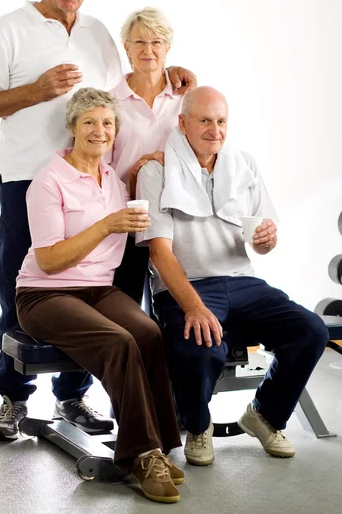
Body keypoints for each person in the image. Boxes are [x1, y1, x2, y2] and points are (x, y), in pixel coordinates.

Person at [0, 0, 196, 441]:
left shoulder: (96, 34)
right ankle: (12, 398)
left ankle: (72, 396)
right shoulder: (10, 28)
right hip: (30, 176)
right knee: (22, 289)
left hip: (95, 178)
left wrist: (170, 70)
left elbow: (124, 92)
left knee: (98, 289)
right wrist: (37, 91)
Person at [135, 86, 329, 466]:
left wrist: (267, 240)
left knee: (310, 331)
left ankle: (263, 415)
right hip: (188, 287)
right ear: (183, 123)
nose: (215, 129)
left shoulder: (244, 164)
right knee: (198, 349)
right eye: (204, 120)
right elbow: (158, 251)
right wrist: (193, 306)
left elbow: (261, 243)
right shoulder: (156, 170)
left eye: (221, 121)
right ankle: (197, 426)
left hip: (244, 282)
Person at [16, 87, 184, 503]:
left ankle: (160, 445)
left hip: (97, 289)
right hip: (44, 294)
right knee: (118, 341)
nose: (99, 130)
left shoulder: (110, 177)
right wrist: (107, 225)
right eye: (89, 121)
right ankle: (141, 455)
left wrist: (144, 170)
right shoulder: (48, 181)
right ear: (72, 127)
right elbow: (51, 261)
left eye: (107, 122)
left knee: (147, 332)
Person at [109, 7, 184, 304]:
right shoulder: (110, 101)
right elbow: (99, 167)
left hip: (175, 219)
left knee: (173, 310)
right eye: (139, 42)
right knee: (125, 307)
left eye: (156, 42)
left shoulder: (185, 98)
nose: (148, 50)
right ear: (126, 47)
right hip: (126, 217)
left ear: (167, 47)